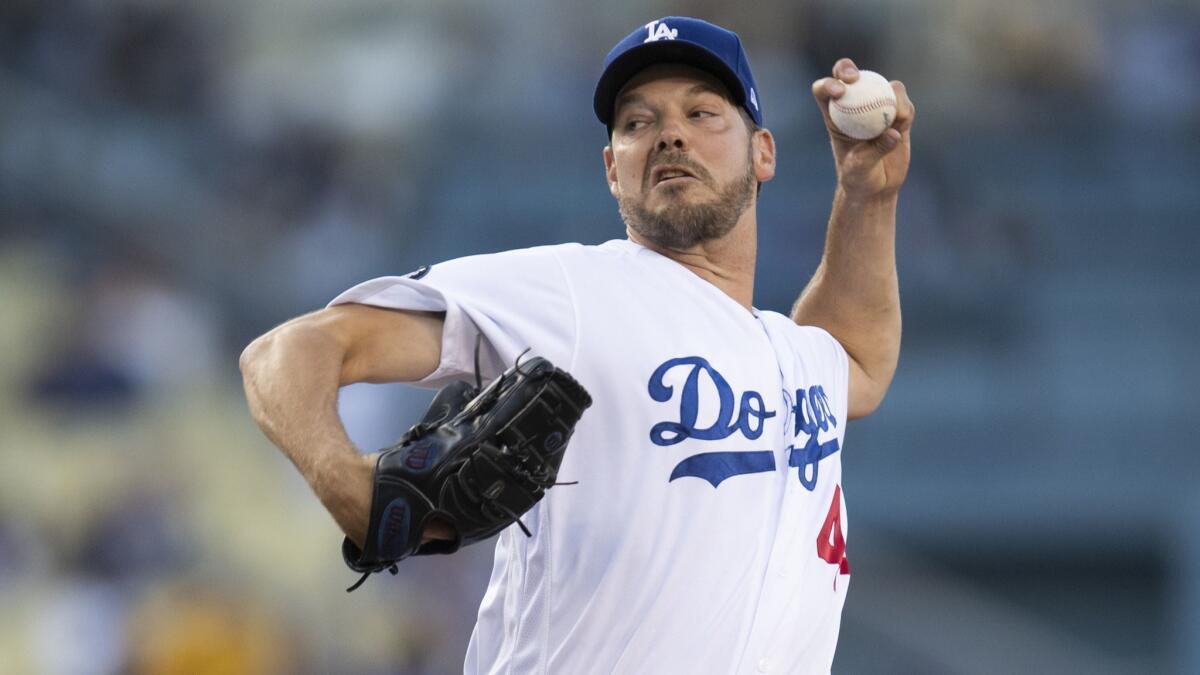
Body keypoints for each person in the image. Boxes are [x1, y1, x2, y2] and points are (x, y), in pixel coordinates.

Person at [240, 15, 914, 675]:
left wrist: (867, 195)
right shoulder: (573, 291)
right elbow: (287, 351)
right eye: (637, 123)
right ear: (611, 170)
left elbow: (856, 356)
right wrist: (348, 486)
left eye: (702, 112)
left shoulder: (790, 352)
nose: (669, 134)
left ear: (763, 151)